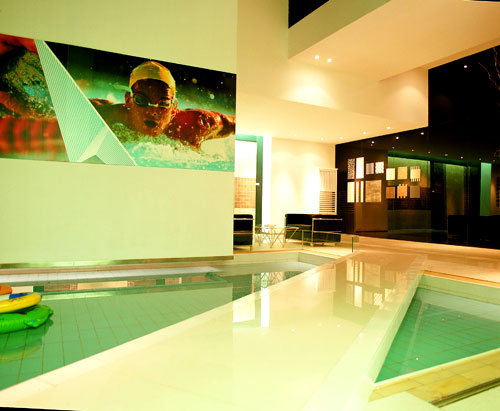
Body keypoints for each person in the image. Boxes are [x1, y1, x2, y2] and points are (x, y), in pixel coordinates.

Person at [91, 61, 235, 149]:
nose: (153, 111)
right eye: (142, 101)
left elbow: (235, 123)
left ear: (174, 107)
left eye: (163, 104)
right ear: (129, 100)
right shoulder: (105, 115)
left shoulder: (194, 125)